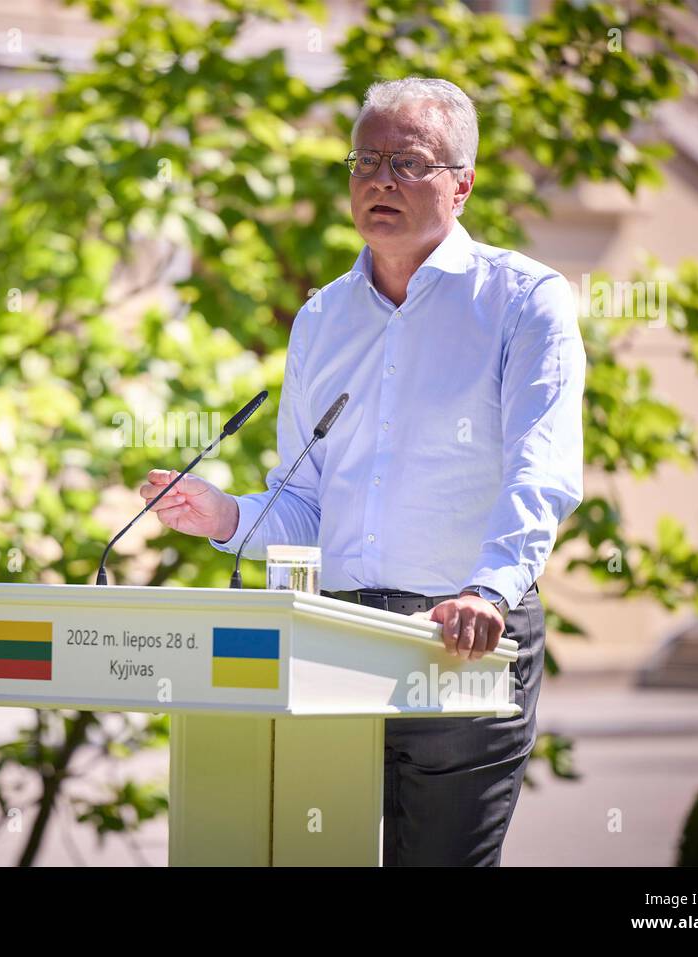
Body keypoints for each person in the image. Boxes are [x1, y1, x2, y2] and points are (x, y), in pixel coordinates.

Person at [137, 76, 586, 866]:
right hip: (332, 649)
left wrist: (488, 589)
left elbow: (541, 472)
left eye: (407, 162)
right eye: (365, 160)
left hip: (461, 646)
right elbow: (308, 504)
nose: (379, 179)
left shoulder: (524, 303)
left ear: (462, 184)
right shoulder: (321, 317)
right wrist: (227, 515)